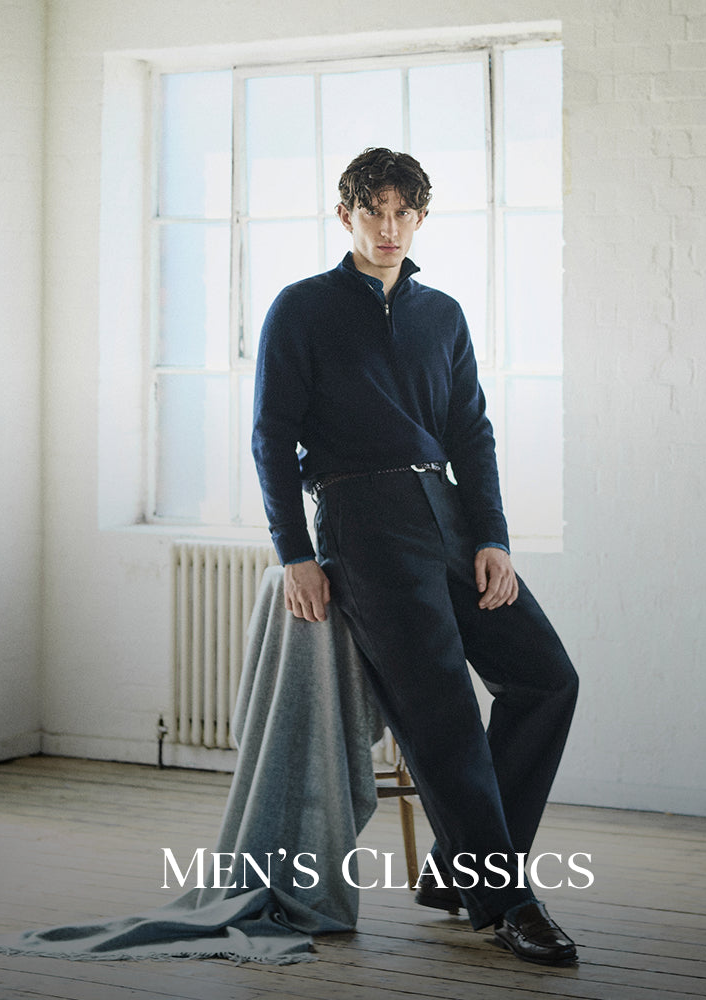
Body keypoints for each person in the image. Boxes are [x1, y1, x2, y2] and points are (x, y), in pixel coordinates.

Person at [252, 147, 579, 967]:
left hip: (449, 514)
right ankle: (507, 901)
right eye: (374, 211)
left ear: (422, 217)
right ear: (346, 216)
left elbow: (472, 431)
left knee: (546, 678)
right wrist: (295, 552)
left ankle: (460, 871)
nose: (389, 227)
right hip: (362, 521)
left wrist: (493, 536)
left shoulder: (443, 314)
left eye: (404, 212)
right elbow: (271, 437)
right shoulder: (302, 308)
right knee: (443, 714)